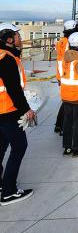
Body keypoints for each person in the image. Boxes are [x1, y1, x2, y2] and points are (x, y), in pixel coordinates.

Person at [0, 23, 34, 206]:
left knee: (1, 146)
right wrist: (26, 109)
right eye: (17, 35)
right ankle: (9, 192)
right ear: (9, 39)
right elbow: (13, 88)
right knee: (19, 146)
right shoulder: (7, 59)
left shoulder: (3, 55)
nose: (20, 38)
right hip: (7, 111)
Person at [54, 20, 78, 135]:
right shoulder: (72, 42)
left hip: (61, 74)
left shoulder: (60, 42)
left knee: (66, 101)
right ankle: (64, 126)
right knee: (69, 102)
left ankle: (59, 125)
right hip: (70, 75)